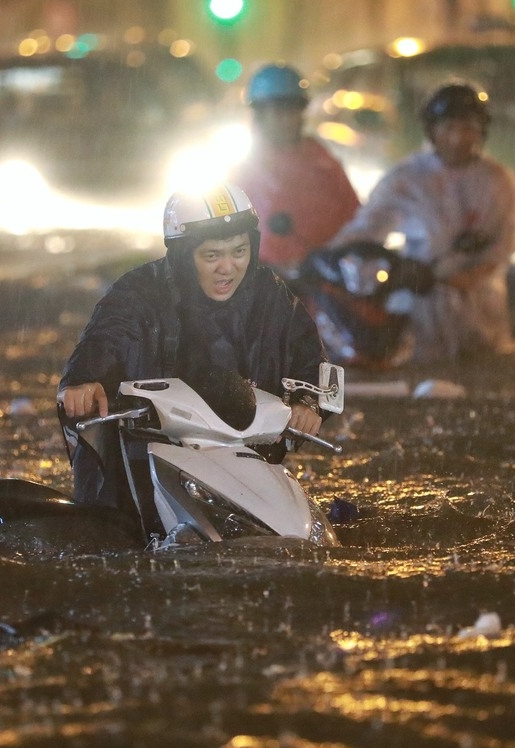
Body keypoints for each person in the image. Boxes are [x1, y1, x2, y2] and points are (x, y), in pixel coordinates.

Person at [58, 183, 326, 526]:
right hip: (147, 457)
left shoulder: (270, 295)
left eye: (239, 251)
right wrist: (84, 379)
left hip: (245, 455)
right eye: (212, 255)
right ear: (184, 255)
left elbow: (312, 357)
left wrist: (308, 402)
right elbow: (105, 337)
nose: (227, 267)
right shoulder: (138, 290)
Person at [330, 80, 515, 362]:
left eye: (467, 128)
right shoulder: (409, 178)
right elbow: (365, 232)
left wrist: (461, 280)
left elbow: (505, 243)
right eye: (449, 129)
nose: (458, 140)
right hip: (420, 311)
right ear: (432, 131)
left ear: (481, 131)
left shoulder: (496, 181)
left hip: (481, 314)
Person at [228, 63, 361, 278]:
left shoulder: (322, 160)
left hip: (330, 282)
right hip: (270, 291)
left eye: (294, 109)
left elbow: (356, 217)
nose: (288, 119)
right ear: (260, 115)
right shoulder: (243, 174)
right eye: (279, 110)